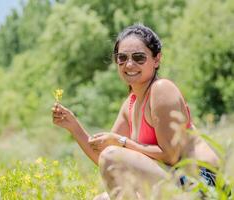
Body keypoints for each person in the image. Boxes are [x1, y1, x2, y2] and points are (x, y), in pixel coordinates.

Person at [52, 23, 220, 199]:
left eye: (139, 57)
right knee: (101, 198)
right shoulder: (130, 104)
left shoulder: (162, 89)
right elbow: (104, 159)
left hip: (201, 185)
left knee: (112, 157)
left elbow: (171, 156)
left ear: (156, 60)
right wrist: (73, 126)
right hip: (173, 181)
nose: (129, 64)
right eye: (122, 58)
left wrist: (121, 141)